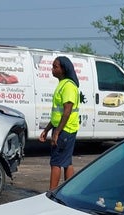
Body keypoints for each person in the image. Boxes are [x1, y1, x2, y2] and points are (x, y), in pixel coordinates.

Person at [39, 56, 80, 189]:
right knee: (67, 162)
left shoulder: (68, 86)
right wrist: (47, 129)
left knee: (56, 162)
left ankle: (52, 192)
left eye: (55, 67)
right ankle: (69, 190)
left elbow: (67, 112)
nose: (52, 69)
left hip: (65, 130)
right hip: (62, 128)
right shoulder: (62, 84)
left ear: (63, 69)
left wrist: (56, 133)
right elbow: (57, 114)